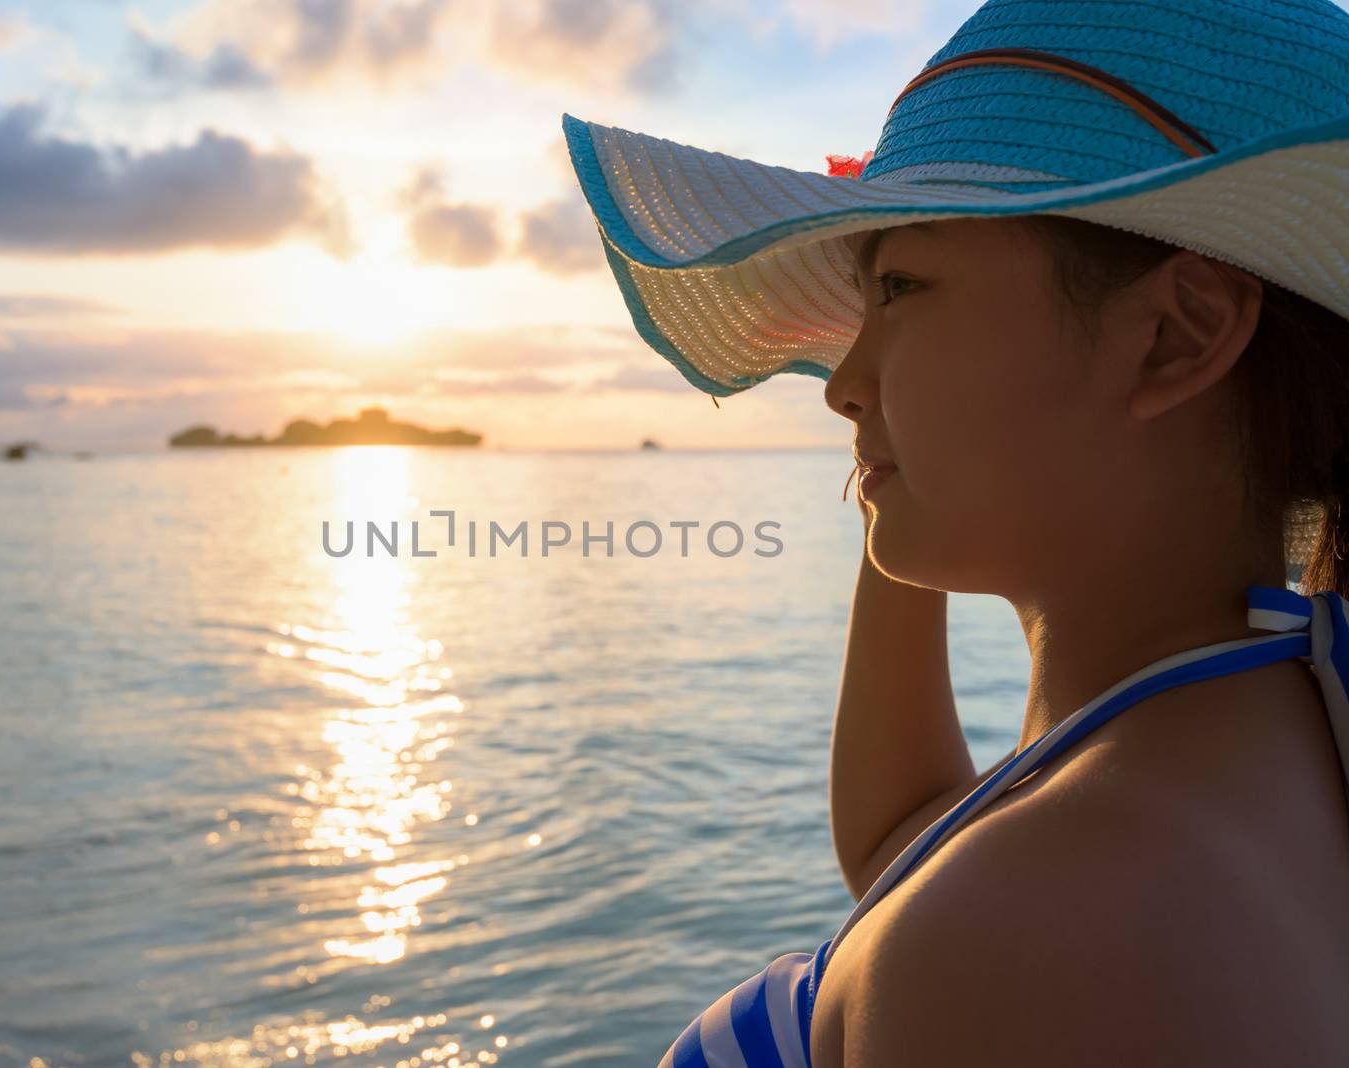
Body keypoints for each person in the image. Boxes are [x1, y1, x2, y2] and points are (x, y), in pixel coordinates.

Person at [559, 0, 1349, 1062]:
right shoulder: (1249, 709)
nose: (840, 382)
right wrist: (905, 475)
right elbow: (907, 838)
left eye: (899, 286)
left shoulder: (1025, 937)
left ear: (1176, 333)